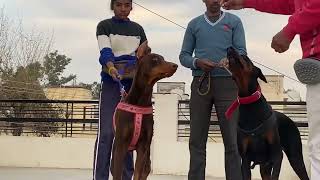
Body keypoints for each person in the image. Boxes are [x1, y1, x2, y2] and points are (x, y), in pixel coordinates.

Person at [221, 0, 320, 178]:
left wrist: (290, 30)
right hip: (315, 70)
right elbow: (290, 3)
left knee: (319, 147)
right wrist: (246, 2)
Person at [179, 0, 247, 179]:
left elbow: (242, 52)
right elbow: (184, 55)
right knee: (196, 140)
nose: (215, 1)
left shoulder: (234, 22)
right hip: (201, 83)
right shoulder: (194, 25)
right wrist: (197, 62)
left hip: (228, 84)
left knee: (232, 140)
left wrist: (230, 60)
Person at [93, 0, 147, 179]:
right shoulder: (104, 26)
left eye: (126, 5)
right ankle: (100, 176)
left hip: (132, 87)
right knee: (107, 132)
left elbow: (144, 54)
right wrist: (111, 67)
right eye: (119, 5)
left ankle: (126, 177)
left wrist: (145, 51)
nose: (123, 9)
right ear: (112, 6)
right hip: (111, 82)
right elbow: (105, 52)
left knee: (128, 134)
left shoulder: (138, 29)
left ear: (131, 7)